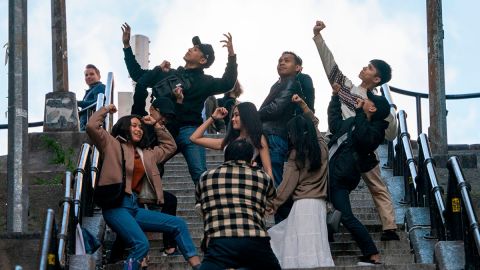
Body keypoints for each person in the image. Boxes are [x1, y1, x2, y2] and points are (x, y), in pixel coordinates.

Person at [313, 20, 400, 241]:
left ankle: (389, 227)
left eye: (369, 68)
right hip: (341, 146)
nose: (364, 68)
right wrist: (318, 37)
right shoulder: (348, 88)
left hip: (362, 147)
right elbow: (330, 66)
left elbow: (391, 134)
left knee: (377, 186)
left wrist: (391, 115)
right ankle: (326, 222)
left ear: (377, 78)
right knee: (328, 183)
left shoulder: (378, 104)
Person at [86, 104, 201, 270]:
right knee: (141, 244)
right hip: (116, 207)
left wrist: (155, 125)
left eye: (140, 127)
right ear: (125, 127)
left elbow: (170, 147)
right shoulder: (111, 145)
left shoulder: (147, 153)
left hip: (133, 206)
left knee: (178, 224)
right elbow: (91, 126)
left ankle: (198, 267)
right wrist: (105, 110)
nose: (139, 129)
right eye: (134, 126)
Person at [121, 23, 238, 186]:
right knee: (151, 168)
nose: (191, 49)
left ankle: (206, 207)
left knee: (199, 175)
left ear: (203, 60)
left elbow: (227, 83)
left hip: (190, 131)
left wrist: (231, 55)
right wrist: (127, 46)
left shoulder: (205, 81)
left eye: (196, 49)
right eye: (192, 47)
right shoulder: (170, 74)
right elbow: (138, 75)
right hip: (164, 128)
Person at [267, 94, 334, 268]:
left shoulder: (296, 154)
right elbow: (314, 123)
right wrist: (303, 105)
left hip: (303, 204)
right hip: (319, 204)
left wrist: (273, 203)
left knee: (298, 247)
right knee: (315, 246)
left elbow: (287, 184)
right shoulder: (322, 146)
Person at [328, 83, 391, 265]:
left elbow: (364, 139)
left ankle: (372, 253)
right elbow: (335, 125)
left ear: (372, 107)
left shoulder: (376, 130)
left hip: (342, 177)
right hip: (330, 172)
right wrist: (334, 98)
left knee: (345, 215)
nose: (362, 99)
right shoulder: (355, 121)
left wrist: (360, 114)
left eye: (367, 100)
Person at [196, 139, 281, 270]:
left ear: (226, 156)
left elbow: (200, 204)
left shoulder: (205, 177)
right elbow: (272, 199)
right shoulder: (262, 177)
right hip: (255, 240)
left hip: (220, 241)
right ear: (250, 158)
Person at [259, 51, 303, 223]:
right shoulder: (279, 84)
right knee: (273, 183)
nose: (281, 63)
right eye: (280, 60)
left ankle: (284, 225)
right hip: (270, 135)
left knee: (277, 185)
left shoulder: (291, 83)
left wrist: (253, 114)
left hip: (276, 136)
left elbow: (276, 108)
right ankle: (283, 225)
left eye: (287, 61)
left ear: (298, 67)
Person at [189, 102, 273, 180]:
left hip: (248, 182)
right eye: (233, 115)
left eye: (236, 115)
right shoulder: (229, 141)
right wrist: (213, 117)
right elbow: (194, 138)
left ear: (247, 116)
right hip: (228, 181)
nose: (233, 119)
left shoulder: (258, 138)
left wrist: (271, 193)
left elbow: (268, 169)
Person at [77, 64, 105, 130]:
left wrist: (78, 103)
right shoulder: (90, 91)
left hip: (92, 128)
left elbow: (98, 102)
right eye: (86, 75)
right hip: (84, 127)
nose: (88, 76)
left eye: (92, 74)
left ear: (99, 76)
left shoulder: (100, 87)